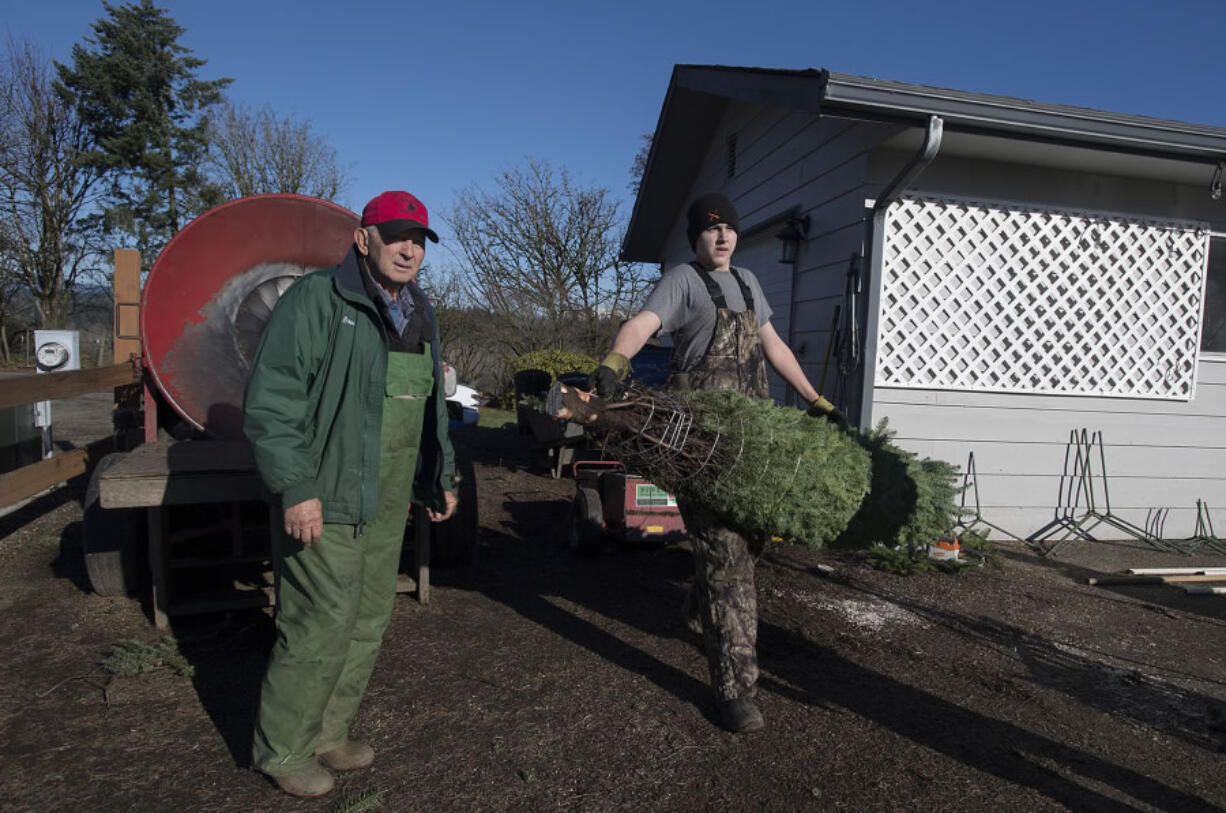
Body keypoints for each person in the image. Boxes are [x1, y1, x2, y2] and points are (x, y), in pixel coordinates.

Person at [592, 192, 843, 734]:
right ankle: (735, 689)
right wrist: (615, 361)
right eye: (711, 230)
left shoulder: (750, 282)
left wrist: (814, 398)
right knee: (727, 555)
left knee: (746, 541)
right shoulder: (683, 281)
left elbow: (773, 347)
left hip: (750, 439)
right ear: (696, 239)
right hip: (700, 444)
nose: (722, 236)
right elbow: (642, 323)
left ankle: (700, 603)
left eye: (728, 227)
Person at [243, 190, 457, 797]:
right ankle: (283, 751)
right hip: (326, 492)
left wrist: (440, 476)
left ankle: (328, 733)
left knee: (366, 619)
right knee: (317, 624)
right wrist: (296, 486)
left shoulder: (419, 311)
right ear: (363, 238)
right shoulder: (317, 300)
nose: (408, 249)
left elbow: (429, 410)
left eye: (418, 240)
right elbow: (275, 404)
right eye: (395, 236)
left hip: (387, 500)